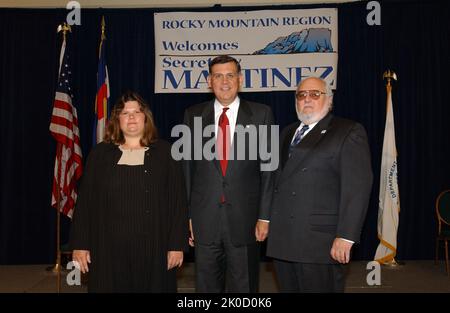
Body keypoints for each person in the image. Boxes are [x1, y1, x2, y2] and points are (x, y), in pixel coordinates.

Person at [70, 91, 188, 292]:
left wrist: (177, 245)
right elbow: (85, 203)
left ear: (145, 117)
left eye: (136, 112)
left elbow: (178, 202)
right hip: (107, 247)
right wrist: (80, 244)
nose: (131, 117)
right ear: (117, 119)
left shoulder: (167, 153)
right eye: (125, 113)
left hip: (154, 247)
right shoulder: (100, 154)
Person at [266, 77, 373, 293]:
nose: (307, 99)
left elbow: (357, 188)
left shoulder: (348, 131)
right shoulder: (287, 132)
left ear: (329, 100)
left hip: (320, 243)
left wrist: (346, 236)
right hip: (284, 240)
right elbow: (276, 182)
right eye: (301, 95)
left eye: (315, 94)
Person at [183, 55, 274, 292]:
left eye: (230, 75)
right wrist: (188, 216)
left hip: (246, 220)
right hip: (204, 221)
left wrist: (265, 216)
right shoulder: (192, 115)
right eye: (218, 75)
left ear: (240, 79)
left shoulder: (262, 114)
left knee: (244, 288)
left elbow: (269, 168)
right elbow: (187, 170)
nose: (224, 81)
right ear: (209, 81)